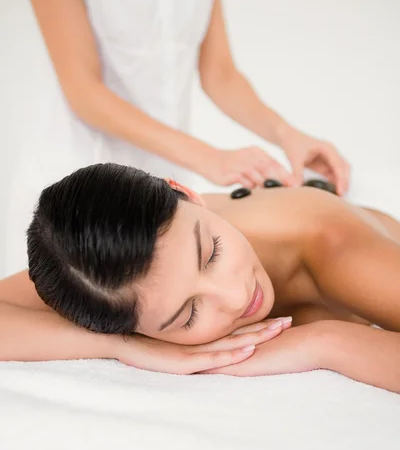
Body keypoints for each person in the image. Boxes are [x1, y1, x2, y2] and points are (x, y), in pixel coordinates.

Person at [0, 0, 349, 275]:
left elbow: (219, 74)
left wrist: (288, 135)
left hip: (164, 186)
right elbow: (84, 90)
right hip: (73, 184)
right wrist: (211, 158)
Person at [0, 163, 399, 393]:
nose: (235, 295)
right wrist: (122, 347)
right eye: (188, 314)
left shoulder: (330, 246)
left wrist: (324, 341)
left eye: (212, 253)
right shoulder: (103, 277)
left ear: (187, 193)